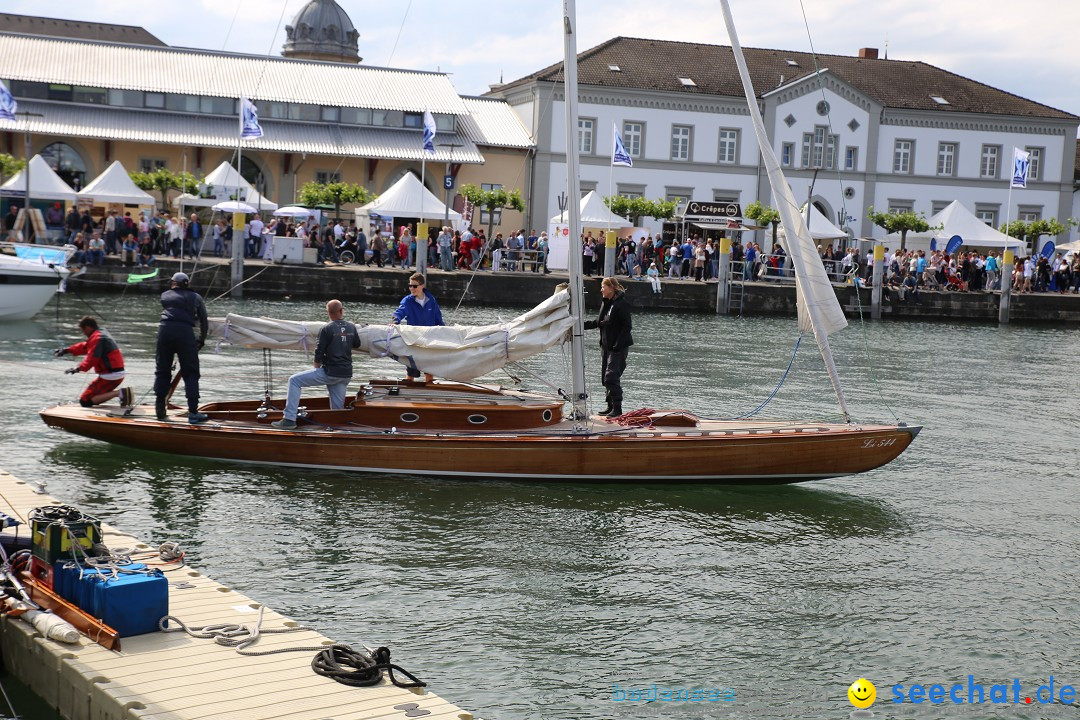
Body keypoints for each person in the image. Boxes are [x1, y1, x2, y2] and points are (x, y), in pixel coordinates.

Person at [271, 299, 361, 429]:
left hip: (331, 372)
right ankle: (337, 428)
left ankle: (289, 419)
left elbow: (319, 352)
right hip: (345, 374)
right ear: (341, 311)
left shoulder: (326, 329)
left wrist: (316, 368)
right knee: (337, 410)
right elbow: (357, 344)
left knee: (294, 381)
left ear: (328, 313)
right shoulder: (351, 327)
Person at [154, 272, 209, 423]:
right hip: (185, 334)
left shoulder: (165, 296)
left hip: (164, 331)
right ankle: (193, 413)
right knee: (191, 372)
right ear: (187, 284)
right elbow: (204, 321)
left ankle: (159, 410)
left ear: (173, 283)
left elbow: (174, 311)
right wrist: (201, 339)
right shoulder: (196, 297)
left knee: (162, 370)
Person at [54, 316, 132, 408]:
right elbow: (86, 347)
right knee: (91, 398)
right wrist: (67, 350)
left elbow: (92, 359)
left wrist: (78, 369)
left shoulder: (97, 338)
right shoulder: (100, 333)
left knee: (85, 401)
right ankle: (121, 394)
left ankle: (119, 393)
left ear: (88, 327)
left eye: (83, 331)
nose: (84, 333)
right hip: (115, 373)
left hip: (110, 376)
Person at [583, 277, 633, 417]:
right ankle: (610, 406)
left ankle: (618, 409)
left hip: (618, 347)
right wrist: (581, 325)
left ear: (611, 288)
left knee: (611, 377)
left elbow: (627, 326)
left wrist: (617, 345)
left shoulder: (621, 304)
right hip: (605, 347)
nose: (601, 290)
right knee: (605, 379)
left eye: (603, 287)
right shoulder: (606, 304)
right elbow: (599, 322)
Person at [392, 272, 444, 382]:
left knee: (429, 370)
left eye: (414, 286)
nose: (411, 288)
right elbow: (399, 312)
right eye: (410, 285)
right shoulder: (408, 301)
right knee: (411, 370)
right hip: (413, 340)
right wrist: (395, 321)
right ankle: (408, 389)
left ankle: (430, 389)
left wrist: (445, 331)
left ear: (422, 286)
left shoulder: (431, 300)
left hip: (429, 340)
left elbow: (438, 319)